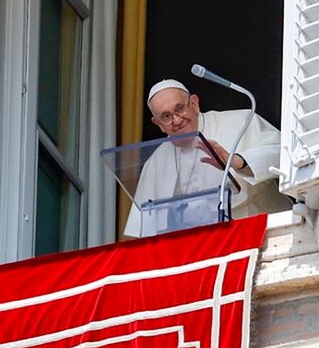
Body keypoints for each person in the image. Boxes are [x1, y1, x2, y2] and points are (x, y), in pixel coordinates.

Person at [123, 79, 291, 237]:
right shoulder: (156, 161)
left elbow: (285, 155)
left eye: (180, 108)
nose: (176, 120)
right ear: (157, 123)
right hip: (202, 248)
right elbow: (143, 229)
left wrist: (238, 161)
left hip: (263, 232)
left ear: (194, 104)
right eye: (166, 116)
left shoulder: (241, 121)